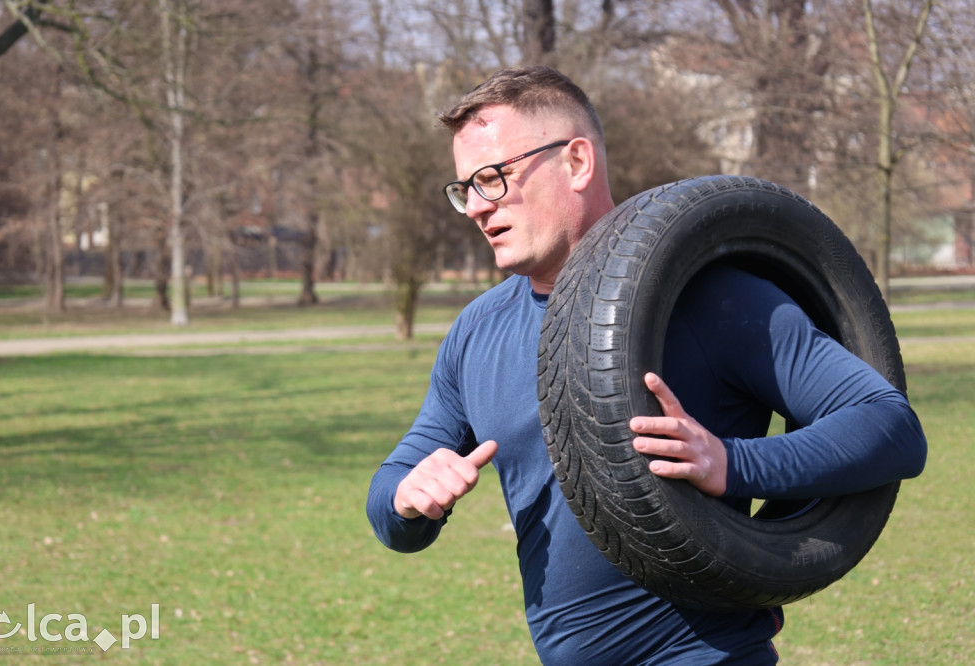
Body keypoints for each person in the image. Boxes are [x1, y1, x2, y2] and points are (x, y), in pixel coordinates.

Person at [365, 66, 927, 664]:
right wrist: (409, 496)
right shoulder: (477, 332)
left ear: (576, 163)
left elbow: (890, 427)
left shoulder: (714, 301)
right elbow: (390, 501)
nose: (477, 207)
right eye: (464, 189)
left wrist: (732, 462)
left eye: (493, 178)